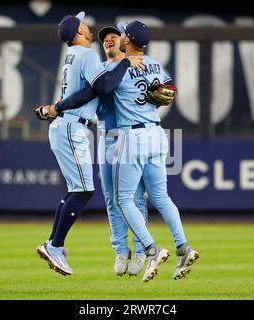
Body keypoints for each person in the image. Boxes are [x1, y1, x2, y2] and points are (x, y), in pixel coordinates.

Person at [35, 11, 144, 276]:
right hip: (72, 126)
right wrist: (127, 62)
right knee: (83, 191)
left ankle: (52, 244)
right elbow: (103, 86)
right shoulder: (86, 54)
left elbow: (90, 90)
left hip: (66, 124)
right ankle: (55, 245)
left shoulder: (73, 56)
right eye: (82, 23)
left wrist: (56, 107)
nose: (86, 25)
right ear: (79, 32)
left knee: (76, 189)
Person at [111, 21, 200, 282]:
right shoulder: (155, 64)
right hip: (157, 134)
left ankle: (152, 249)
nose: (120, 35)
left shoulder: (120, 66)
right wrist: (157, 92)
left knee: (122, 199)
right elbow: (170, 91)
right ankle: (183, 247)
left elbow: (103, 86)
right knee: (161, 196)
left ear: (128, 40)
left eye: (123, 33)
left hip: (133, 135)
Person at [97, 26, 148, 276]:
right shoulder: (99, 70)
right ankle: (120, 250)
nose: (108, 39)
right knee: (110, 197)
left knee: (135, 199)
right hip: (107, 137)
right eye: (105, 38)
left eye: (113, 36)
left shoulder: (138, 66)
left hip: (131, 137)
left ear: (124, 42)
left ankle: (140, 252)